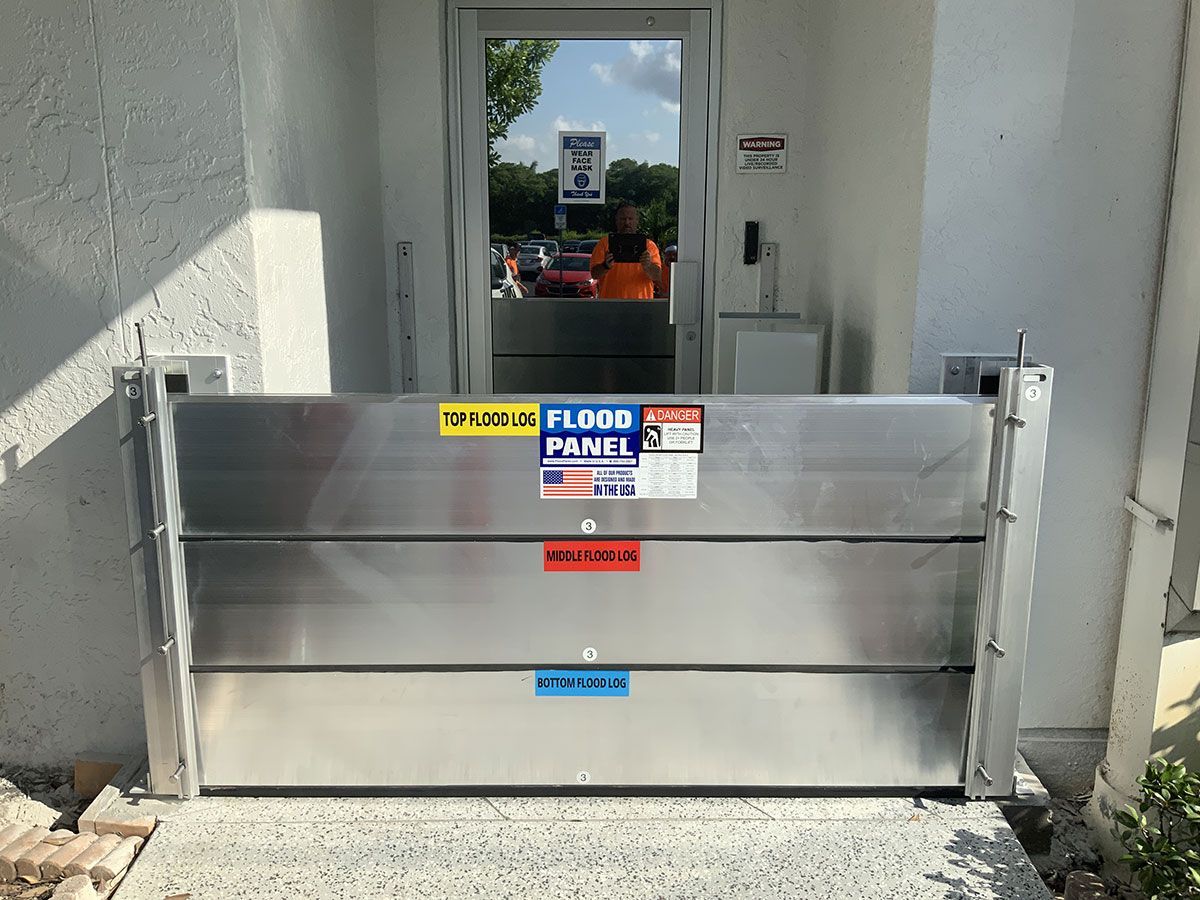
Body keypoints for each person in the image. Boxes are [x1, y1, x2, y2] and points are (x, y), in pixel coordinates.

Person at [588, 202, 662, 299]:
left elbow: (657, 276)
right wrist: (605, 266)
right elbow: (594, 274)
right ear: (616, 221)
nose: (627, 223)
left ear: (637, 221)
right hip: (610, 304)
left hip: (641, 306)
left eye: (630, 219)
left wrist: (648, 266)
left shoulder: (649, 246)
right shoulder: (605, 244)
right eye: (623, 219)